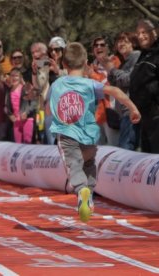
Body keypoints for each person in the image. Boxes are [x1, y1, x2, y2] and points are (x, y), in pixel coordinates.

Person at [47, 42, 141, 223]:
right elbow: (114, 90)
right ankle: (88, 194)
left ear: (64, 64)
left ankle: (82, 190)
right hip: (89, 136)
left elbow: (49, 108)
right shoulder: (90, 84)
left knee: (73, 166)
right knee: (89, 164)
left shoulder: (57, 84)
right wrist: (133, 109)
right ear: (86, 63)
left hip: (67, 135)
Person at [129, 19, 159, 154]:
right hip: (145, 118)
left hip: (156, 116)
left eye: (144, 32)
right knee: (149, 159)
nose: (140, 36)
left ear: (155, 32)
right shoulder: (143, 54)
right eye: (138, 33)